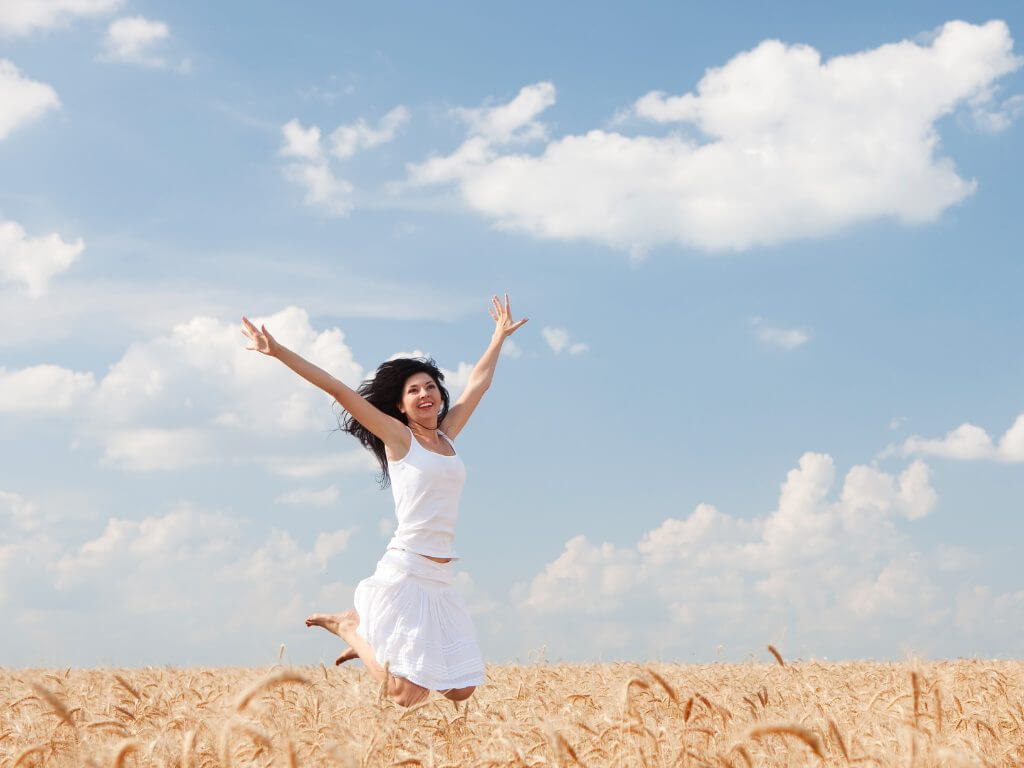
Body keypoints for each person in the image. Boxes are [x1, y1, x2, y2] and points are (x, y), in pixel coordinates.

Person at [240, 294, 527, 707]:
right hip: (407, 571)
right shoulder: (400, 438)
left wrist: (498, 336)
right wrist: (279, 351)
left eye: (431, 387)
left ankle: (367, 640)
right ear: (400, 404)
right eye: (414, 390)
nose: (425, 394)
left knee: (460, 690)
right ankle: (350, 628)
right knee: (405, 694)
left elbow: (479, 382)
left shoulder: (446, 435)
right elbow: (338, 390)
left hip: (440, 579)